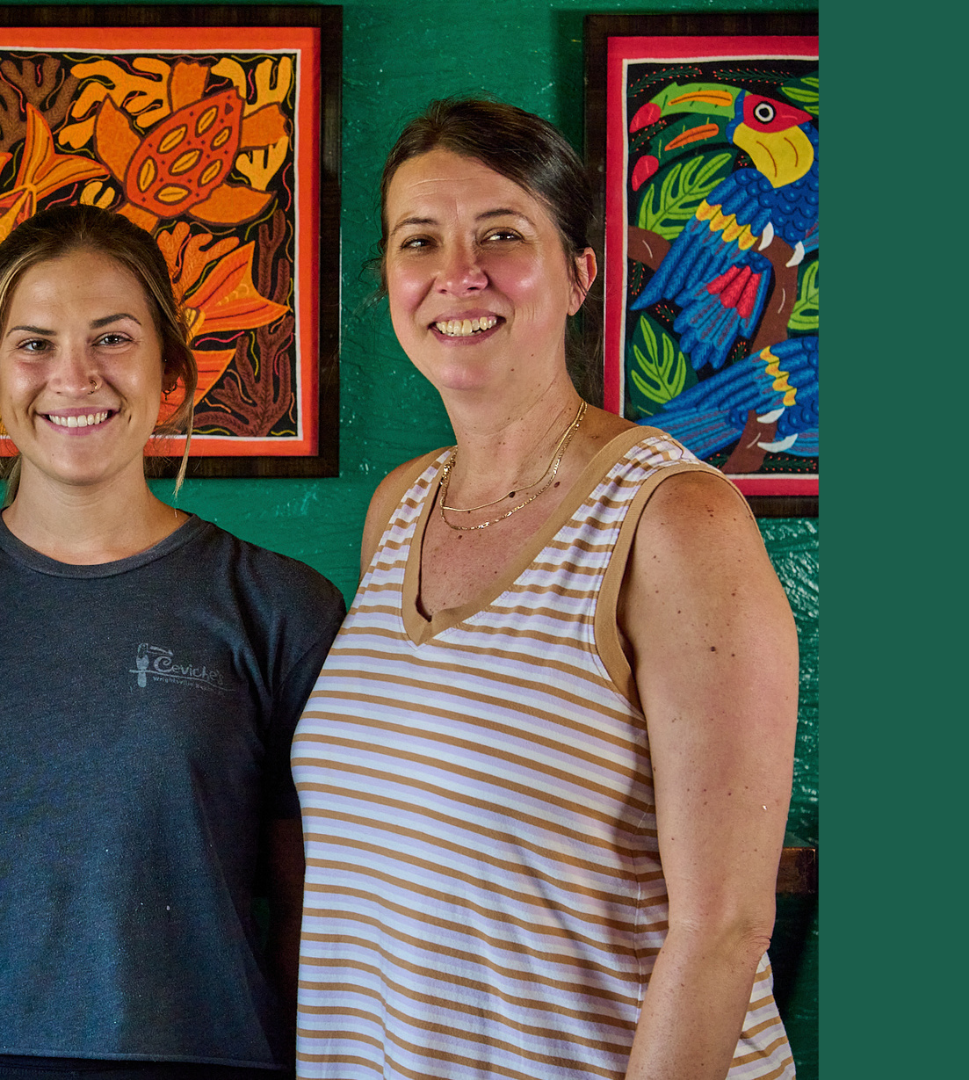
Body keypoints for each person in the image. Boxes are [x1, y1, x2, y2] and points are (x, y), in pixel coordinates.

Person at [291, 98, 798, 1079]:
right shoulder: (400, 509)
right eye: (419, 241)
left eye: (502, 235)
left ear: (578, 275)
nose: (456, 274)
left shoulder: (674, 520)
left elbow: (724, 927)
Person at [0, 205, 346, 1080]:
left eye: (112, 338)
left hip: (207, 1059)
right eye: (35, 343)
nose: (74, 376)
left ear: (174, 376)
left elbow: (316, 904)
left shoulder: (280, 608)